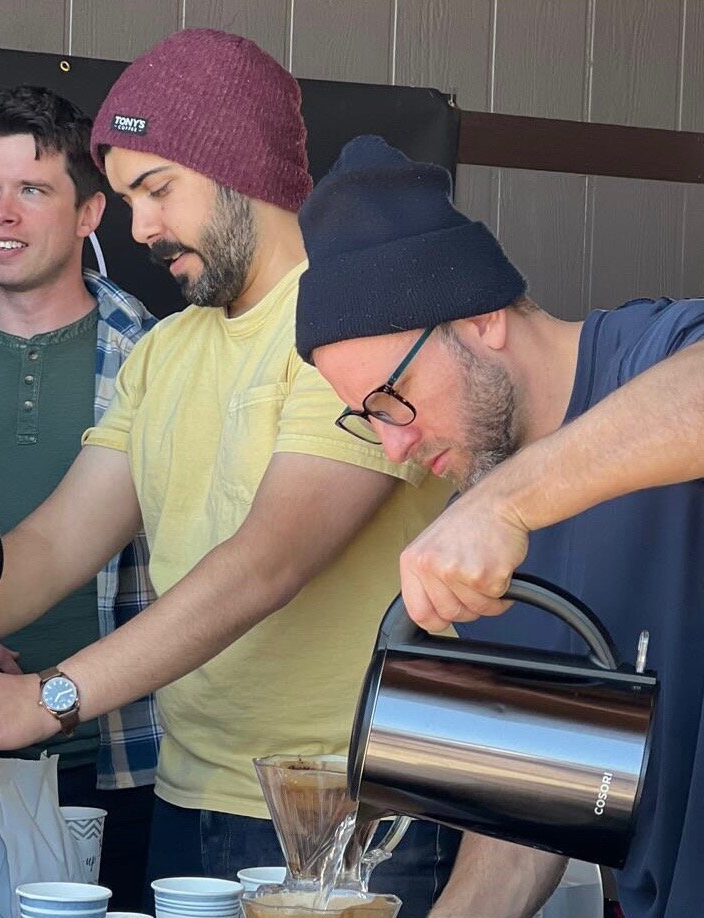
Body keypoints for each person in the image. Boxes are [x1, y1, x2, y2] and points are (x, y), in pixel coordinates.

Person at [0, 31, 459, 915]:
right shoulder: (165, 350)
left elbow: (267, 562)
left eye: (157, 190)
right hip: (187, 794)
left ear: (239, 167)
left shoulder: (355, 321)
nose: (140, 229)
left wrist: (48, 699)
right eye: (130, 198)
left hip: (350, 809)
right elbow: (53, 545)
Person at [294, 134, 704, 918]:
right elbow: (529, 818)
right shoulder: (481, 539)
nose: (395, 446)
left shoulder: (652, 353)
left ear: (481, 317)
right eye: (365, 420)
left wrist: (507, 503)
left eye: (391, 398)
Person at [0, 84, 161, 912]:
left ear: (88, 214)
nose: (0, 213)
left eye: (31, 189)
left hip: (125, 757)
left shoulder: (156, 358)